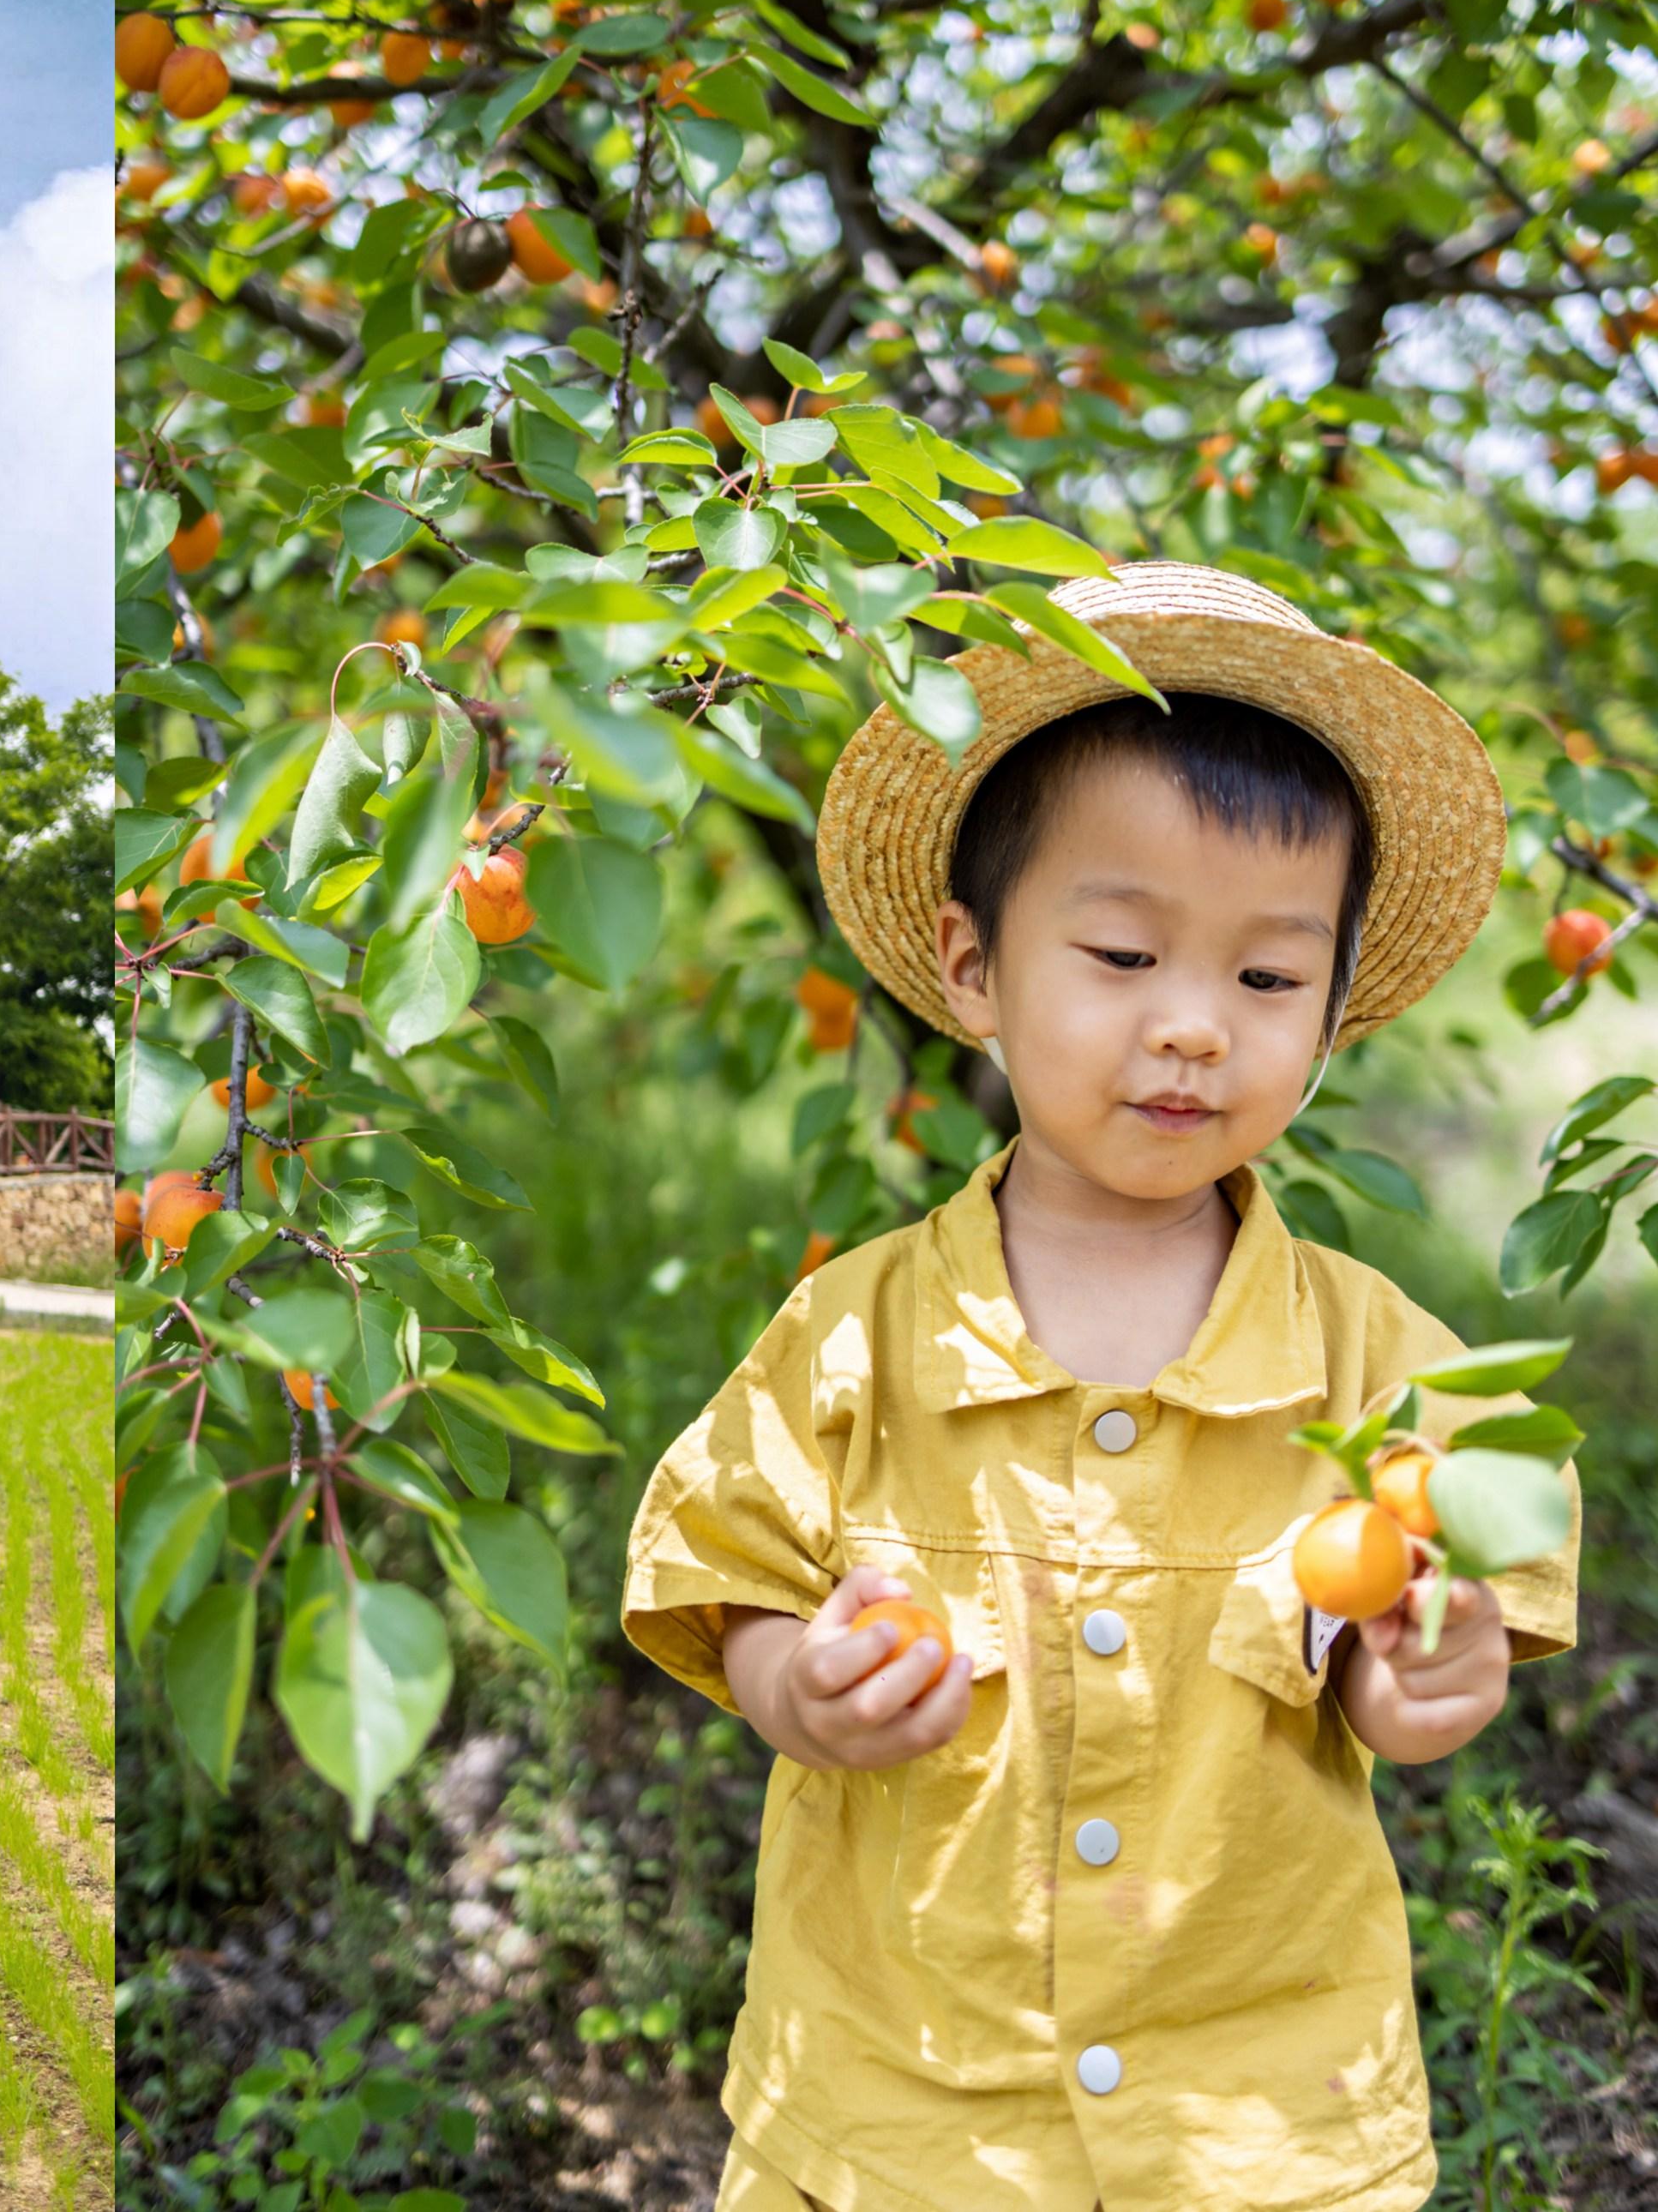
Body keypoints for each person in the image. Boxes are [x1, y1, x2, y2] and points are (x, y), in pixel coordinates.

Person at [618, 563, 1581, 2212]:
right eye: (1124, 953)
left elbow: (1414, 1653)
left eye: (1269, 982)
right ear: (976, 970)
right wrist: (801, 1691)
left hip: (1260, 2125)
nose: (1196, 1027)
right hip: (908, 2119)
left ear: (1333, 1014)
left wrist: (1431, 1680)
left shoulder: (1381, 1364)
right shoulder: (850, 1341)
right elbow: (731, 1586)